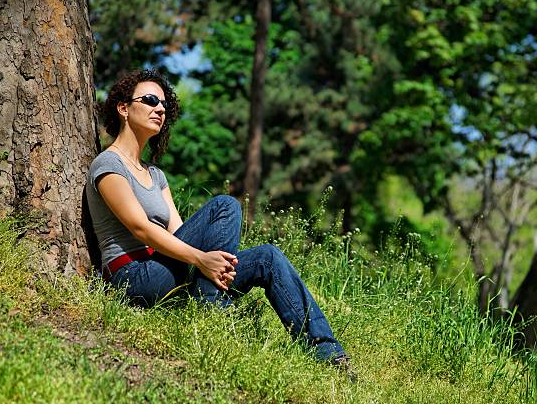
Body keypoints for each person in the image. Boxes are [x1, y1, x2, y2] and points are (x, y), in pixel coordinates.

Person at [86, 69, 352, 370]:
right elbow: (141, 228)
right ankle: (211, 304)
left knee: (268, 257)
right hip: (134, 278)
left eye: (163, 104)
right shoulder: (108, 164)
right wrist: (201, 259)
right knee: (225, 204)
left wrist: (205, 261)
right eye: (149, 100)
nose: (159, 109)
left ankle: (328, 355)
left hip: (169, 271)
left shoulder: (156, 175)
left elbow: (177, 232)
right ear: (123, 108)